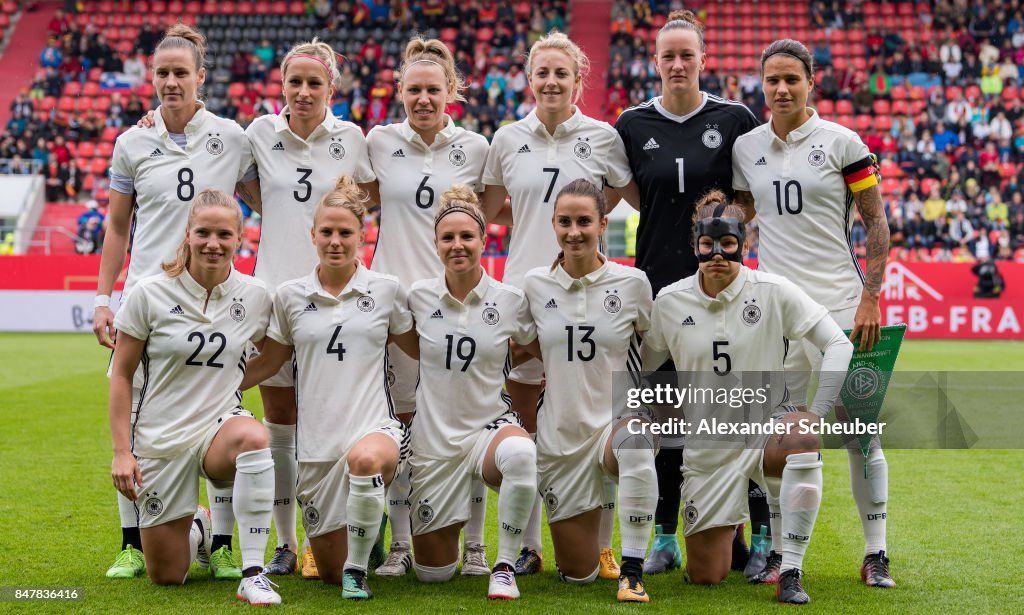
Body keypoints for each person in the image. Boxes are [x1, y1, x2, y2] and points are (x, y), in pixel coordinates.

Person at [93, 23, 257, 581]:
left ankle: (225, 540)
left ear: (199, 78)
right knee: (136, 421)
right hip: (147, 300)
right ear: (152, 77)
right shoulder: (132, 142)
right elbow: (118, 227)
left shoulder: (232, 137)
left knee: (218, 412)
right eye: (161, 72)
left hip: (213, 298)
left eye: (180, 72)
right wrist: (102, 297)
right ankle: (133, 542)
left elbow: (266, 193)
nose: (170, 81)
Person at [732, 39, 895, 589]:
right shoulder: (746, 147)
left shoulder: (843, 142)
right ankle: (781, 553)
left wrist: (869, 296)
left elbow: (877, 224)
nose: (781, 90)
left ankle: (876, 553)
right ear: (762, 84)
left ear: (810, 83)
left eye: (791, 80)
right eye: (772, 80)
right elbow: (738, 216)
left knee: (860, 434)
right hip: (778, 317)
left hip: (843, 307)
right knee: (784, 434)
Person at [641, 191, 854, 604]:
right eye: (707, 244)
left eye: (728, 244)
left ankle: (790, 568)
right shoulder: (669, 301)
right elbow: (646, 370)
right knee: (706, 576)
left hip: (766, 431)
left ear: (745, 241)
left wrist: (817, 413)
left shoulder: (775, 290)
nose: (717, 254)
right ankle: (727, 535)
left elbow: (838, 344)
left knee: (802, 440)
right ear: (694, 245)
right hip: (706, 447)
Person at [481, 31, 638, 578]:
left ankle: (603, 543)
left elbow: (615, 195)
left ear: (578, 81)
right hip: (529, 295)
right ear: (530, 79)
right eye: (542, 73)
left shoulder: (602, 137)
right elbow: (493, 209)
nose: (551, 82)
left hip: (590, 294)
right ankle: (527, 545)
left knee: (600, 417)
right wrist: (533, 224)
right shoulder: (506, 139)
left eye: (561, 74)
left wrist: (581, 226)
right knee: (526, 422)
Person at [613, 10, 764, 577]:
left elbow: (749, 195)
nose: (677, 64)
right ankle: (665, 535)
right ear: (655, 63)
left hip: (725, 289)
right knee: (669, 423)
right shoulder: (630, 124)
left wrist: (720, 238)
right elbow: (633, 195)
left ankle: (750, 539)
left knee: (736, 414)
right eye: (667, 56)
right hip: (660, 289)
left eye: (686, 55)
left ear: (704, 61)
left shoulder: (735, 119)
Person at [237, 177, 417, 600]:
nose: (336, 241)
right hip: (316, 448)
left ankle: (359, 568)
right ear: (313, 235)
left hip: (374, 428)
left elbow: (422, 351)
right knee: (328, 571)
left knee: (367, 459)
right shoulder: (290, 296)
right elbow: (271, 360)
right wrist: (218, 385)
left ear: (362, 235)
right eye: (327, 232)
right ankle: (367, 531)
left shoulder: (387, 291)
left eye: (345, 233)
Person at [242, 38, 376, 579]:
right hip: (277, 296)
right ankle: (285, 542)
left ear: (330, 89)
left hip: (336, 301)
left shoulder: (352, 138)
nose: (302, 92)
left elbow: (366, 202)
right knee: (280, 421)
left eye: (313, 83)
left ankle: (336, 530)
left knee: (330, 418)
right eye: (294, 82)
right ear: (282, 86)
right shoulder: (258, 134)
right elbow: (251, 190)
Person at [109, 188, 280, 605]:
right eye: (203, 232)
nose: (213, 243)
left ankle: (254, 572)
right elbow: (121, 374)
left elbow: (275, 354)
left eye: (224, 234)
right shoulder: (148, 293)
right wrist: (121, 451)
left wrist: (232, 385)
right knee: (166, 576)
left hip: (218, 429)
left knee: (254, 438)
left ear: (240, 238)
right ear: (187, 234)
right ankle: (199, 529)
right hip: (161, 435)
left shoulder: (256, 295)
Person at [363, 37, 490, 578]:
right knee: (404, 426)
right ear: (400, 92)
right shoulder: (377, 142)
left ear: (451, 92)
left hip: (457, 307)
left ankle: (479, 546)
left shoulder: (478, 149)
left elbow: (494, 214)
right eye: (413, 90)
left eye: (432, 90)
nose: (422, 99)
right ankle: (400, 543)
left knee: (468, 421)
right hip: (396, 313)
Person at [521, 179, 658, 603]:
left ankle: (632, 572)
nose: (574, 231)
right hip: (561, 437)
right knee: (575, 576)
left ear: (602, 224)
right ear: (553, 224)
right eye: (565, 222)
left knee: (635, 444)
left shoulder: (633, 283)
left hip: (616, 425)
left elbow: (654, 350)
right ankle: (588, 549)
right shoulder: (534, 285)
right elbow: (523, 345)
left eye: (584, 221)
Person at [405, 186, 538, 600]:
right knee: (434, 574)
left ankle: (503, 566)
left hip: (488, 428)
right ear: (436, 244)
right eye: (448, 238)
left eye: (466, 237)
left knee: (521, 455)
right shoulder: (417, 297)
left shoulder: (511, 300)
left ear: (484, 240)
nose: (457, 245)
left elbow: (538, 347)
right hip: (434, 441)